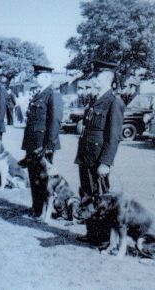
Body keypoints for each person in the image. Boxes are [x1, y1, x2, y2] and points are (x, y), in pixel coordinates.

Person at [75, 60, 125, 247]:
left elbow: (114, 137)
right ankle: (92, 233)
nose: (93, 80)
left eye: (96, 76)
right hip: (86, 156)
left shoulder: (114, 101)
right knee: (87, 195)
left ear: (106, 78)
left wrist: (106, 162)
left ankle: (103, 238)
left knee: (101, 198)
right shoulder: (95, 100)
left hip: (98, 159)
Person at [21, 64, 63, 218]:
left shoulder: (52, 94)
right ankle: (36, 208)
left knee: (43, 178)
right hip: (33, 142)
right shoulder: (38, 94)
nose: (35, 78)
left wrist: (50, 145)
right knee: (34, 176)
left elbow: (55, 121)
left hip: (43, 144)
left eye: (37, 75)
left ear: (46, 77)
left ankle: (45, 210)